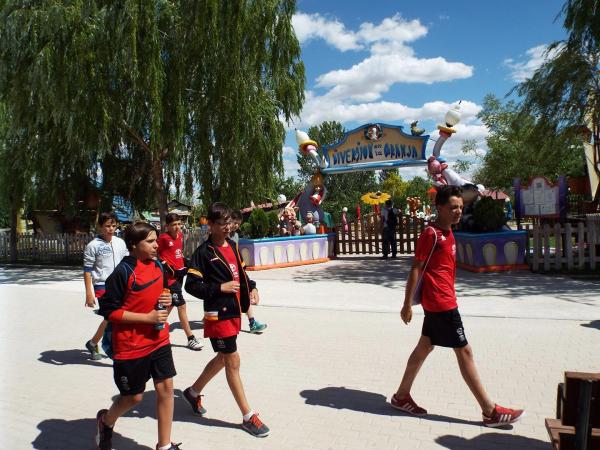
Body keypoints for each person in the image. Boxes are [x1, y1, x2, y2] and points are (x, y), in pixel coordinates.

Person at [391, 185, 525, 427]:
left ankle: (401, 396)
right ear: (439, 207)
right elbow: (415, 267)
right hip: (441, 304)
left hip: (442, 301)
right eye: (453, 207)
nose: (458, 212)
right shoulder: (430, 234)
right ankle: (490, 411)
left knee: (424, 348)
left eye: (461, 208)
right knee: (464, 351)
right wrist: (406, 305)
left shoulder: (449, 232)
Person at [183, 202, 270, 438]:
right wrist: (219, 288)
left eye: (228, 223)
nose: (227, 227)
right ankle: (247, 416)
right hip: (217, 315)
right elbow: (191, 286)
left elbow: (240, 272)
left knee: (223, 358)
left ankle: (193, 392)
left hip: (234, 312)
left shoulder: (232, 244)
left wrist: (251, 287)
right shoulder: (203, 253)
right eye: (221, 224)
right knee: (232, 361)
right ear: (210, 225)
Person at [96, 222, 181, 450]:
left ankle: (164, 445)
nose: (156, 246)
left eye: (156, 241)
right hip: (130, 346)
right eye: (150, 242)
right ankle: (106, 421)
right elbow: (109, 311)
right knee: (133, 398)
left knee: (166, 390)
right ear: (134, 245)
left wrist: (166, 298)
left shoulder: (157, 265)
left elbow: (162, 291)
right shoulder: (123, 272)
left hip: (159, 340)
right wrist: (148, 319)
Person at [83, 211, 129, 360]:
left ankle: (93, 342)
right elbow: (87, 270)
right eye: (107, 226)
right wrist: (89, 293)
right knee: (113, 316)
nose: (111, 229)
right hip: (102, 286)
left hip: (121, 284)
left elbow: (127, 262)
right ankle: (112, 347)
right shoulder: (93, 246)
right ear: (100, 227)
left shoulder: (120, 242)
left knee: (113, 317)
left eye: (113, 225)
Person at [157, 213, 204, 351]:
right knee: (181, 306)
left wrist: (185, 263)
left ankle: (154, 328)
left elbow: (178, 253)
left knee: (170, 304)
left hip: (179, 275)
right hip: (170, 278)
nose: (177, 227)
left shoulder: (181, 236)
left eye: (179, 223)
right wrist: (166, 265)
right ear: (167, 226)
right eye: (173, 225)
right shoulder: (163, 238)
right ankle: (190, 338)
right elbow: (155, 253)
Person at [229, 210, 267, 334]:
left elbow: (236, 252)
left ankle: (252, 322)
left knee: (245, 292)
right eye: (234, 222)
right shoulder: (221, 235)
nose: (236, 226)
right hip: (226, 269)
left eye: (238, 224)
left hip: (236, 268)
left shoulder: (235, 236)